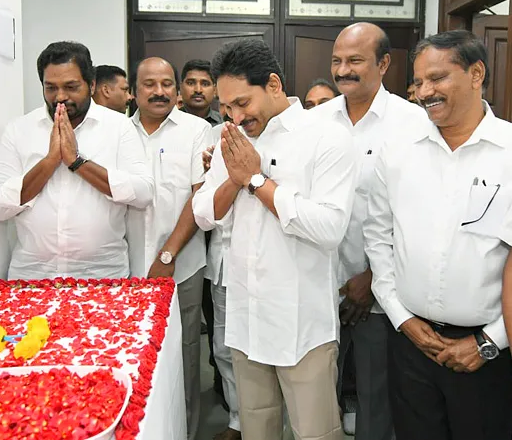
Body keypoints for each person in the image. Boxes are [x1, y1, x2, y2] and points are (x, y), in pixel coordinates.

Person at [194, 38, 356, 440]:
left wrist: (256, 180)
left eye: (242, 103)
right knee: (257, 429)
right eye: (226, 107)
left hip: (303, 325)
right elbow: (203, 213)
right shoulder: (232, 139)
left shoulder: (327, 137)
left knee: (315, 432)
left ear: (273, 84)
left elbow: (329, 228)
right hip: (247, 318)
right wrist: (234, 179)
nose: (234, 115)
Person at [364, 30, 512, 440]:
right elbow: (378, 238)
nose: (424, 92)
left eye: (438, 78)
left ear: (476, 72)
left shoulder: (510, 154)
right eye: (418, 82)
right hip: (412, 346)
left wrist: (489, 341)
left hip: (488, 354)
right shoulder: (398, 151)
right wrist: (401, 317)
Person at [311, 22, 427, 440]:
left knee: (379, 400)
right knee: (318, 397)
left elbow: (418, 213)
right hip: (319, 284)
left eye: (355, 61)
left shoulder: (414, 123)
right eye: (337, 61)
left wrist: (373, 278)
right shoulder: (315, 121)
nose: (344, 70)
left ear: (384, 63)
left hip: (383, 291)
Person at [0, 41, 154, 279]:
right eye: (51, 87)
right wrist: (49, 163)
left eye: (71, 86)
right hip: (32, 276)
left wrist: (77, 162)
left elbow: (144, 192)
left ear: (92, 84)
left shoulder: (119, 128)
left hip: (103, 275)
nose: (60, 96)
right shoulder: (19, 130)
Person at [127, 56, 211, 440]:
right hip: (125, 271)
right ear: (133, 90)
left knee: (183, 358)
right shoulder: (118, 134)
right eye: (149, 84)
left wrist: (167, 256)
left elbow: (199, 198)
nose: (159, 91)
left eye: (166, 84)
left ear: (177, 91)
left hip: (183, 268)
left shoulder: (196, 131)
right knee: (132, 363)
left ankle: (187, 434)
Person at [180, 58, 225, 409]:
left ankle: (226, 397)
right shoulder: (170, 127)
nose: (198, 89)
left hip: (219, 243)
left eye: (205, 83)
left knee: (221, 328)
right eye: (191, 82)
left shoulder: (227, 128)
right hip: (184, 243)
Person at [200, 123, 242, 440]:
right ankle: (237, 420)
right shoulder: (215, 135)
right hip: (223, 262)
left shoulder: (286, 136)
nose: (235, 113)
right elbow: (204, 212)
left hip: (263, 266)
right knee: (224, 350)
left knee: (263, 355)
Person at [181, 59, 223, 126]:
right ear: (181, 87)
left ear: (215, 90)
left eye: (205, 84)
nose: (198, 90)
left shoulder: (224, 125)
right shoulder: (167, 123)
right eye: (190, 83)